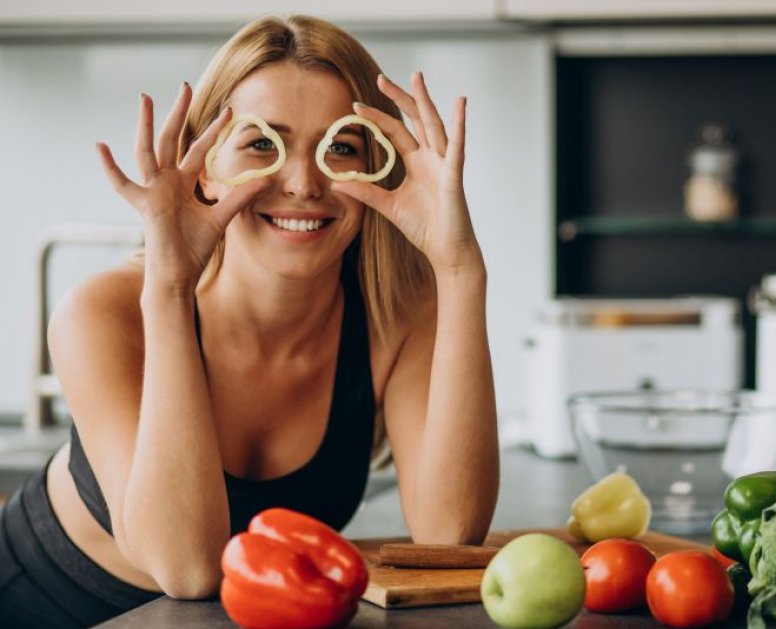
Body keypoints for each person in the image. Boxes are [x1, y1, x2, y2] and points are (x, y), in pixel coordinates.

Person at [0, 14, 499, 627]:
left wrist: (460, 270)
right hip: (40, 604)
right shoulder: (103, 312)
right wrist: (170, 285)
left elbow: (451, 534)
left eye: (339, 148)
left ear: (377, 169)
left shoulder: (400, 311)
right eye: (263, 143)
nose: (303, 182)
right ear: (204, 165)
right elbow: (186, 569)